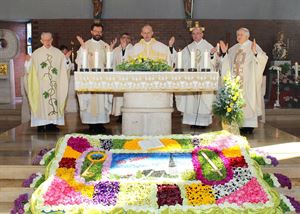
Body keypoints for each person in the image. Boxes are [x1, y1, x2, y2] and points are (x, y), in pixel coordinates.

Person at [220, 27, 268, 134]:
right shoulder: (233, 49)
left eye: (241, 35)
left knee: (248, 102)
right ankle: (239, 124)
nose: (239, 37)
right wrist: (224, 53)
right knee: (236, 102)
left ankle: (249, 126)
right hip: (236, 82)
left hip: (248, 81)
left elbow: (263, 58)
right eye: (237, 35)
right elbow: (226, 63)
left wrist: (255, 53)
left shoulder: (253, 46)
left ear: (247, 36)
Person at [24, 32, 69, 132]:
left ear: (52, 40)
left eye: (49, 40)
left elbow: (65, 68)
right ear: (41, 41)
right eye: (45, 40)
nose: (47, 42)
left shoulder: (58, 53)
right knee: (41, 104)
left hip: (54, 85)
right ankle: (41, 125)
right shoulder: (36, 54)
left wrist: (66, 60)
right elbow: (29, 70)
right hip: (41, 86)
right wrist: (27, 62)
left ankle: (51, 125)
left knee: (53, 102)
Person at [176, 27, 219, 128]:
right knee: (191, 100)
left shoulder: (208, 46)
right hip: (191, 80)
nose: (196, 36)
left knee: (203, 99)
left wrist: (212, 55)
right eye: (194, 34)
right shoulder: (188, 48)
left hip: (204, 80)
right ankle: (192, 122)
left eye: (198, 33)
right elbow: (179, 60)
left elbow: (216, 63)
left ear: (202, 34)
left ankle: (203, 123)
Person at [75, 23, 114, 133]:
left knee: (101, 101)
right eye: (96, 31)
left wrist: (110, 52)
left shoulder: (105, 46)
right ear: (91, 32)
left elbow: (109, 64)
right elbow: (79, 61)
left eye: (100, 32)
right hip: (89, 80)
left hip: (102, 80)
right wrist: (83, 49)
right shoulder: (85, 45)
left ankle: (100, 123)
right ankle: (91, 124)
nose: (98, 33)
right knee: (90, 102)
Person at [111, 33, 133, 119]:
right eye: (123, 37)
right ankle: (119, 115)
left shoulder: (133, 49)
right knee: (119, 97)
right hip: (119, 77)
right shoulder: (116, 50)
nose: (125, 39)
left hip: (129, 77)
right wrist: (111, 49)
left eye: (128, 38)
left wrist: (124, 49)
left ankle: (128, 114)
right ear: (120, 39)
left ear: (130, 40)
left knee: (128, 96)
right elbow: (111, 61)